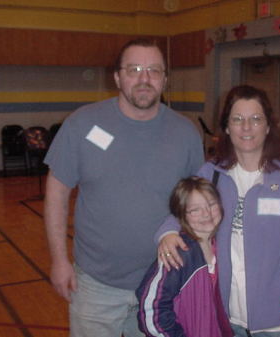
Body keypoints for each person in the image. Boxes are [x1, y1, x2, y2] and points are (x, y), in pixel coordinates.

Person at [43, 38, 204, 337]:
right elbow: (56, 194)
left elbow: (198, 206)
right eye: (134, 69)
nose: (144, 78)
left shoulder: (185, 133)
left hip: (163, 283)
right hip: (95, 285)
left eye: (154, 70)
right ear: (117, 77)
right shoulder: (82, 124)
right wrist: (59, 260)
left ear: (165, 79)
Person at [157, 85, 280, 337]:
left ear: (268, 126)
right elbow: (180, 212)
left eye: (255, 119)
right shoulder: (212, 173)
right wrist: (168, 233)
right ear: (226, 127)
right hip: (224, 314)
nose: (246, 127)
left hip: (276, 318)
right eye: (237, 119)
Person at [136, 177, 232, 337]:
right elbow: (151, 309)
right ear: (181, 215)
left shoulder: (220, 246)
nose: (206, 213)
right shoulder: (179, 254)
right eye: (195, 210)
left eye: (212, 204)